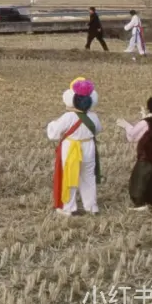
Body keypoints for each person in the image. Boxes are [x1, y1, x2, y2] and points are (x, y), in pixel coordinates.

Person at [48, 78, 101, 216]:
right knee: (88, 177)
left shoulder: (68, 116)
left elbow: (53, 134)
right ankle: (91, 207)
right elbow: (98, 129)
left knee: (70, 177)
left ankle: (69, 207)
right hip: (88, 146)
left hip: (71, 148)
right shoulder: (94, 116)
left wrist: (52, 124)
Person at [116, 96, 152, 210]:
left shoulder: (145, 123)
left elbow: (132, 136)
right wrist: (145, 115)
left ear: (149, 107)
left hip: (147, 156)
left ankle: (141, 203)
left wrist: (125, 124)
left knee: (141, 180)